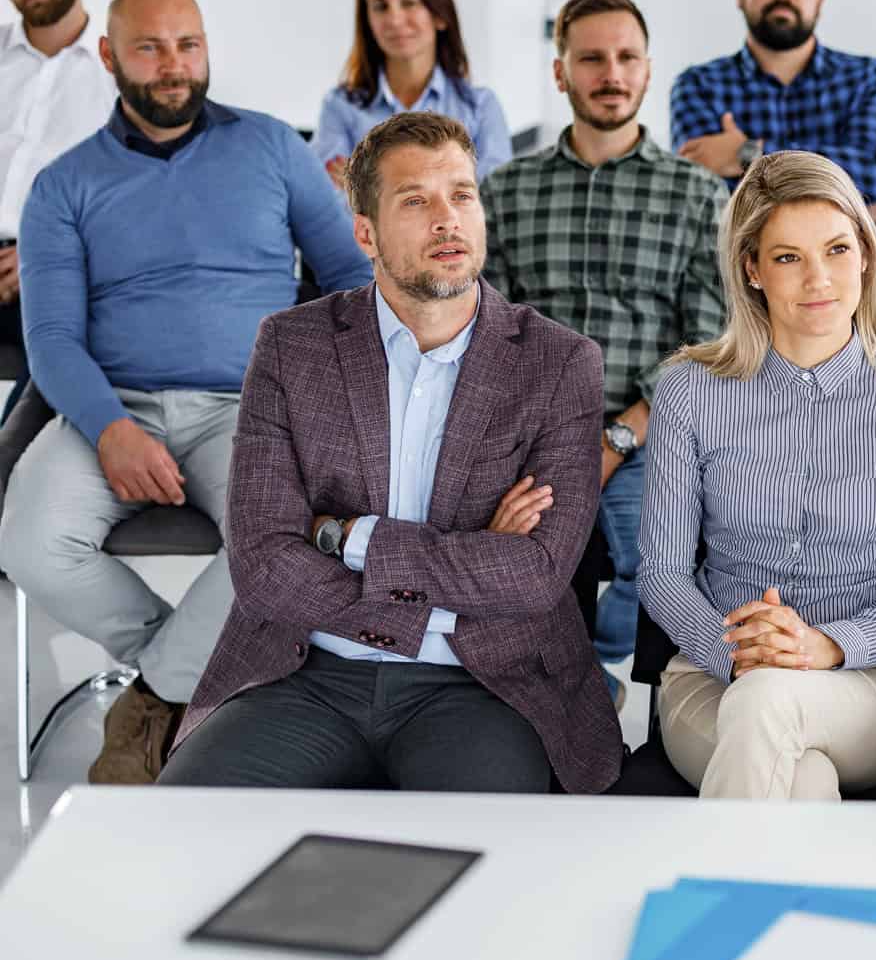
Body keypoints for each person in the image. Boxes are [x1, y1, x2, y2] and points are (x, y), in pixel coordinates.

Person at [162, 112, 621, 794]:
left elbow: (535, 574)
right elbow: (262, 564)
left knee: (475, 864)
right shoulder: (293, 346)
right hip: (304, 670)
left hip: (483, 682)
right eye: (416, 200)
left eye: (462, 194)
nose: (447, 219)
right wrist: (461, 564)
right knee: (186, 824)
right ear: (366, 233)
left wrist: (349, 538)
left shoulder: (558, 362)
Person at [0, 0, 371, 784]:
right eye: (150, 47)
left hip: (251, 407)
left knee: (280, 542)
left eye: (188, 45)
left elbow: (348, 277)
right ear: (109, 56)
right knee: (28, 540)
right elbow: (52, 337)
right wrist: (108, 428)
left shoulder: (274, 149)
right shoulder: (63, 185)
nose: (174, 66)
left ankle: (152, 698)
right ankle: (187, 672)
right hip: (112, 404)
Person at [637, 151, 876, 800]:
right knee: (802, 775)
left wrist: (827, 646)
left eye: (838, 249)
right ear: (750, 268)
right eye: (787, 257)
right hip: (712, 676)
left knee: (769, 704)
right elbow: (662, 572)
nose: (819, 278)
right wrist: (735, 651)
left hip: (872, 682)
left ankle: (705, 898)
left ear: (867, 255)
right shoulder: (687, 392)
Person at [482, 0, 728, 686]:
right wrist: (548, 436)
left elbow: (706, 340)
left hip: (651, 431)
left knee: (656, 564)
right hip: (528, 431)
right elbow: (490, 333)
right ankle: (544, 691)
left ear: (648, 70)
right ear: (560, 72)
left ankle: (592, 681)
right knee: (496, 557)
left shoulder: (698, 195)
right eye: (591, 58)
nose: (610, 74)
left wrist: (615, 440)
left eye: (626, 58)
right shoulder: (504, 192)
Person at [669, 0, 876, 227]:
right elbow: (705, 207)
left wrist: (747, 154)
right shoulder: (697, 87)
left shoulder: (869, 80)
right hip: (740, 275)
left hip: (846, 275)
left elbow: (872, 174)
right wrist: (860, 213)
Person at [0, 0, 114, 417]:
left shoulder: (120, 71)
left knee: (20, 437)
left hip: (61, 274)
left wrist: (43, 254)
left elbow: (134, 197)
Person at [311, 0, 511, 186]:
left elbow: (489, 203)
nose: (394, 19)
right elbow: (330, 204)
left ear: (439, 15)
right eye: (380, 6)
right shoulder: (340, 108)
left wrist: (368, 186)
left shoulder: (480, 109)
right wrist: (449, 185)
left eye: (409, 3)